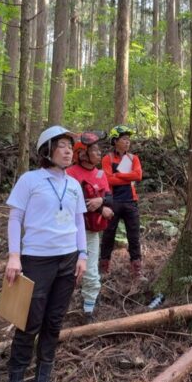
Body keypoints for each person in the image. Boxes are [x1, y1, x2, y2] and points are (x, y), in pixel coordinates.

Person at [2, 126, 88, 382]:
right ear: (47, 150)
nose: (68, 151)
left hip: (67, 261)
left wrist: (83, 254)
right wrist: (14, 256)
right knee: (29, 323)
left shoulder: (75, 184)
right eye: (62, 146)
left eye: (70, 146)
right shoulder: (31, 180)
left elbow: (78, 220)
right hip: (36, 259)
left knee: (54, 322)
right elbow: (16, 217)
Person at [67, 131, 114, 317]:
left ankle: (88, 310)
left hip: (92, 230)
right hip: (70, 230)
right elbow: (73, 201)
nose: (99, 153)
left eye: (99, 149)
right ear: (82, 153)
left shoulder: (100, 173)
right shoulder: (70, 174)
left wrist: (101, 203)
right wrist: (100, 208)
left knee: (91, 268)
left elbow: (109, 197)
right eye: (94, 150)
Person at [100, 124, 143, 277]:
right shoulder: (107, 159)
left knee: (134, 236)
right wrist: (124, 176)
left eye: (128, 139)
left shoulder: (133, 158)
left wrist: (117, 176)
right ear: (115, 141)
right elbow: (108, 180)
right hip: (113, 202)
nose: (127, 142)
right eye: (124, 139)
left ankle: (136, 268)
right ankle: (104, 266)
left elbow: (138, 176)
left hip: (131, 201)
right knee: (108, 234)